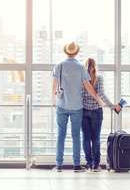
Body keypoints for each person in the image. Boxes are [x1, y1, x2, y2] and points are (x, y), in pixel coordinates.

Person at [52, 42, 105, 172]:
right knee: (76, 136)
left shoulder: (59, 66)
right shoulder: (81, 67)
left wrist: (54, 101)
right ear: (76, 53)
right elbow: (88, 87)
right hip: (77, 107)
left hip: (61, 105)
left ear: (66, 52)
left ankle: (59, 165)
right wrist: (98, 99)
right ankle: (76, 165)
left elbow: (54, 87)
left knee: (61, 135)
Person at [82, 58, 121, 172]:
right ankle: (96, 165)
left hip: (83, 111)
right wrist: (112, 106)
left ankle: (89, 164)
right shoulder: (99, 78)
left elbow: (79, 95)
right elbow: (101, 95)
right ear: (95, 66)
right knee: (96, 138)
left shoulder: (82, 78)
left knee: (85, 139)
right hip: (96, 111)